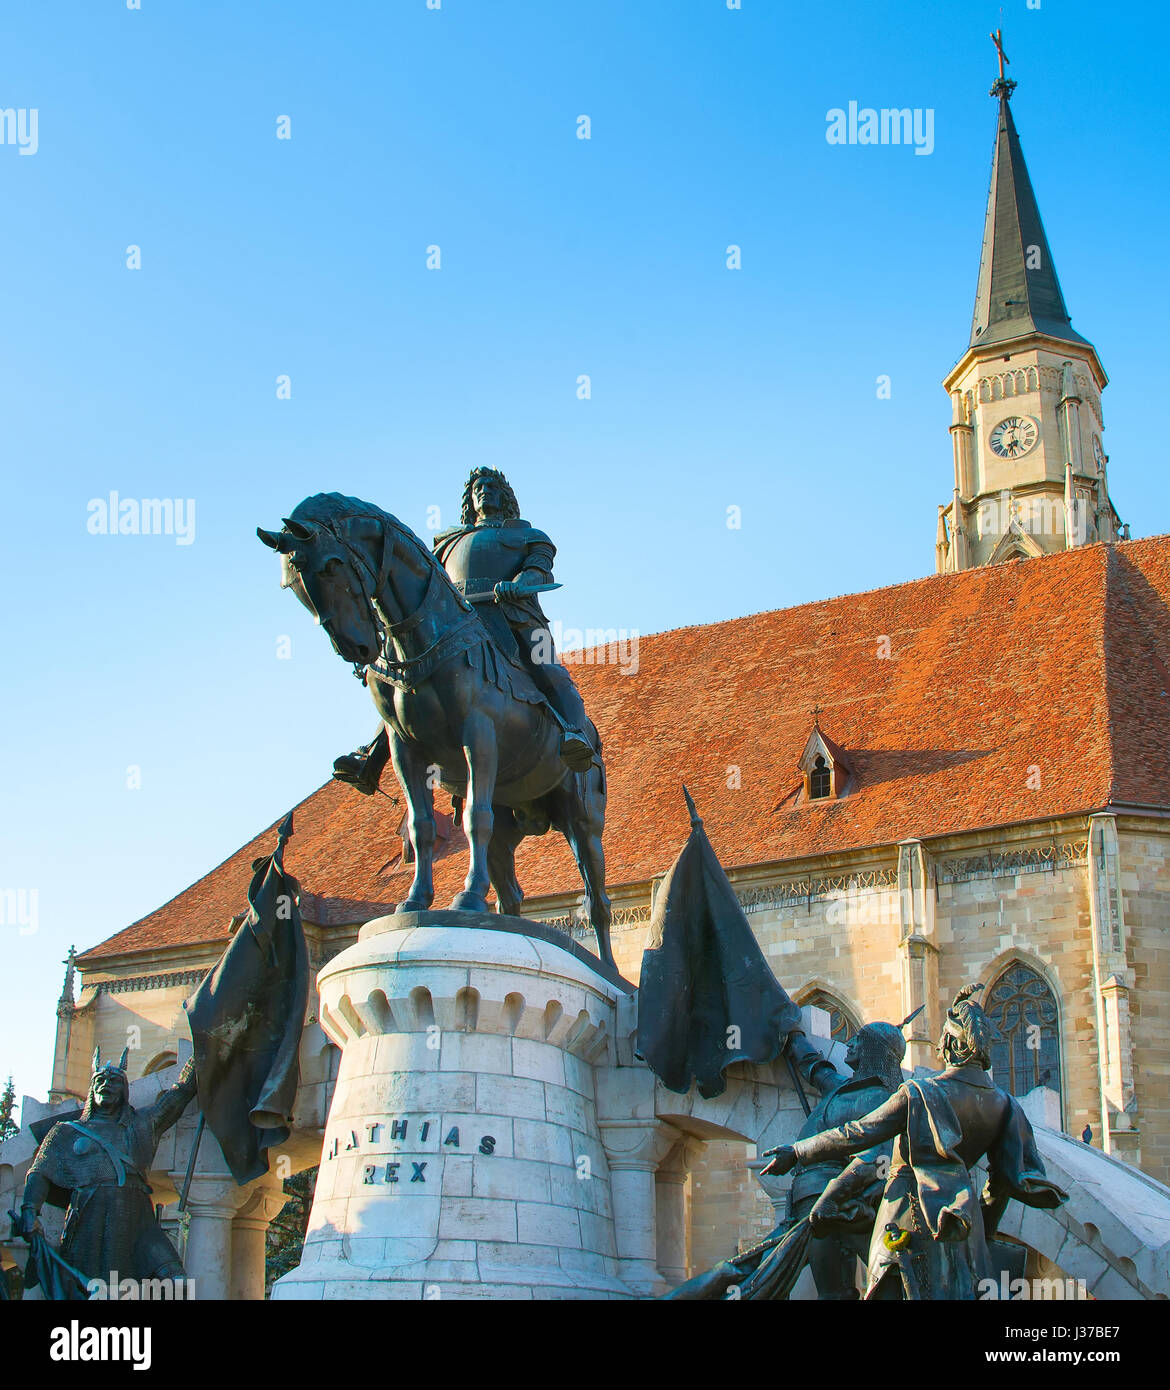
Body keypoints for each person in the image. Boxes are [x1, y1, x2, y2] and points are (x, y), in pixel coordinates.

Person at [761, 984, 1067, 1300]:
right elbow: (1002, 1185)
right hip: (959, 1226)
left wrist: (798, 1151)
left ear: (947, 1044)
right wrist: (977, 1231)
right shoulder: (1006, 1105)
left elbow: (859, 1134)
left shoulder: (921, 1093)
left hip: (905, 1217)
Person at [333, 467, 594, 794]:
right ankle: (371, 755)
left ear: (505, 496)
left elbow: (538, 571)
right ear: (470, 499)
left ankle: (574, 733)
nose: (484, 491)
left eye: (491, 486)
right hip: (454, 620)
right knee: (406, 675)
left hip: (511, 615)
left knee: (548, 668)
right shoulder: (447, 542)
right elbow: (423, 580)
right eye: (478, 487)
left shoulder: (529, 536)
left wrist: (517, 585)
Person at [18, 1047, 198, 1296]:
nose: (106, 1085)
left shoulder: (142, 1124)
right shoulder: (65, 1132)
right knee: (94, 1290)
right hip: (90, 1217)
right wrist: (29, 1211)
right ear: (92, 1089)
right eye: (99, 1081)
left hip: (139, 1220)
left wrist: (202, 1049)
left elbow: (179, 1095)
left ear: (124, 1090)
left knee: (176, 1282)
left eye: (114, 1081)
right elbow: (40, 1172)